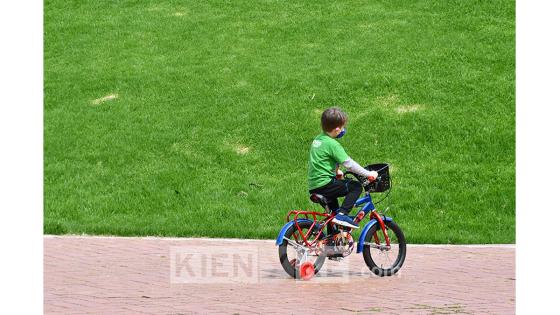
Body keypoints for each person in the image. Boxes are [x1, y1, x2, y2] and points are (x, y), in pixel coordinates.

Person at [308, 107, 378, 229]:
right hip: (325, 185)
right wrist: (368, 174)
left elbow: (322, 160)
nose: (343, 130)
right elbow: (349, 164)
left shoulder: (318, 140)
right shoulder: (333, 144)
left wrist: (336, 172)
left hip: (314, 185)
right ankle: (342, 214)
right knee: (355, 187)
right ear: (336, 129)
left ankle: (331, 243)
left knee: (332, 216)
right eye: (342, 127)